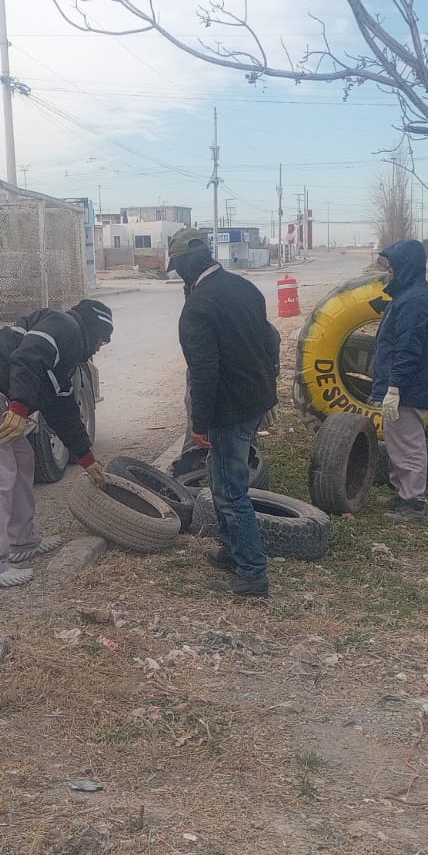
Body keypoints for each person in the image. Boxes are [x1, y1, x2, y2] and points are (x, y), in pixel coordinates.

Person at [0, 298, 113, 593]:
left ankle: (22, 541)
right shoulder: (67, 326)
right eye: (103, 339)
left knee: (23, 458)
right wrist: (20, 406)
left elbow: (62, 410)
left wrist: (86, 457)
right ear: (94, 327)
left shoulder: (65, 356)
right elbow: (27, 356)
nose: (100, 347)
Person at [171, 227, 281, 597]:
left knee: (231, 491)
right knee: (220, 483)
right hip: (253, 400)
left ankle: (251, 573)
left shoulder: (197, 307)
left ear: (187, 267)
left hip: (228, 409)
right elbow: (270, 340)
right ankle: (232, 550)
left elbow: (204, 372)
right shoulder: (244, 287)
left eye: (177, 270)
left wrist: (199, 423)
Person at [369, 238, 428, 524]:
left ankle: (413, 502)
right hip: (402, 387)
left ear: (405, 266)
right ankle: (402, 493)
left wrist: (395, 386)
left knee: (409, 444)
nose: (389, 271)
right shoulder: (408, 296)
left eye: (392, 266)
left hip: (408, 388)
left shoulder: (415, 301)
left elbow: (408, 348)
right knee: (397, 441)